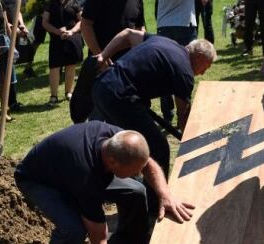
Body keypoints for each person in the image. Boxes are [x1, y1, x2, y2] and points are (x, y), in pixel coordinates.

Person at [15, 122, 194, 244]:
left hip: (66, 168)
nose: (137, 173)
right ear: (113, 163)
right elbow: (99, 243)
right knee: (73, 229)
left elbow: (147, 163)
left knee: (136, 190)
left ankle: (133, 242)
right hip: (38, 180)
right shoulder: (87, 177)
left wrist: (165, 195)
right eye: (133, 170)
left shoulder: (118, 138)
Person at [92, 32, 216, 174]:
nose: (203, 73)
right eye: (206, 67)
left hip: (102, 85)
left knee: (113, 145)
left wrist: (103, 55)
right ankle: (156, 196)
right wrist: (194, 145)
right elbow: (183, 117)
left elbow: (128, 34)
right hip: (121, 97)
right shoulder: (185, 73)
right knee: (158, 149)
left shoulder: (164, 41)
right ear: (199, 56)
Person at [43, 0, 83, 105]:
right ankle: (53, 96)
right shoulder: (50, 3)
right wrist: (58, 31)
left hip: (72, 38)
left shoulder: (74, 2)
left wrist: (71, 31)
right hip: (56, 39)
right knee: (54, 67)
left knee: (71, 65)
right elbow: (45, 23)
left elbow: (81, 21)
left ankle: (68, 92)